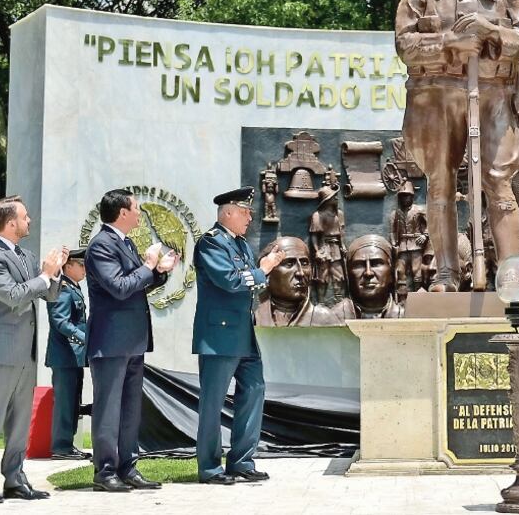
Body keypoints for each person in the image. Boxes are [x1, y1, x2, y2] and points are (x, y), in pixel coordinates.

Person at [395, 0, 519, 291]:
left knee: (498, 181)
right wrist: (448, 42)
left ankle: (510, 275)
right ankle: (446, 274)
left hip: (492, 93)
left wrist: (490, 29)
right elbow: (404, 44)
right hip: (434, 94)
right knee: (439, 181)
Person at [85, 189, 178, 492]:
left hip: (132, 340)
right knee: (109, 410)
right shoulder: (101, 245)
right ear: (122, 213)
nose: (140, 213)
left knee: (129, 410)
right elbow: (120, 287)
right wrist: (148, 266)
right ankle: (105, 472)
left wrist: (159, 273)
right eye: (136, 208)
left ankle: (128, 467)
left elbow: (137, 284)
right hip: (111, 341)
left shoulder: (124, 242)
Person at [0, 196, 65, 503]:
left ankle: (15, 479)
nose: (30, 221)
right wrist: (43, 275)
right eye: (26, 217)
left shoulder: (25, 255)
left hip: (25, 352)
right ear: (11, 222)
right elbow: (13, 296)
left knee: (20, 422)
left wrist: (55, 272)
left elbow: (47, 295)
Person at [193, 187, 285, 485]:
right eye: (245, 212)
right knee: (213, 402)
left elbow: (250, 286)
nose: (250, 217)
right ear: (228, 212)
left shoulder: (241, 244)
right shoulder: (210, 243)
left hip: (243, 333)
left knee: (254, 391)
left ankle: (242, 461)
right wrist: (264, 270)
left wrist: (257, 276)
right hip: (219, 334)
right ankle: (209, 468)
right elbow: (231, 280)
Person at [46, 247, 91, 460]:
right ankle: (61, 446)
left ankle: (67, 445)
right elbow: (60, 321)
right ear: (68, 265)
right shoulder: (63, 288)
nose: (85, 269)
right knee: (65, 402)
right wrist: (84, 338)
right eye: (81, 265)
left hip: (73, 356)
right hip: (64, 356)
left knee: (73, 401)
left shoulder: (73, 287)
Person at [254, 237, 347, 327]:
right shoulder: (252, 317)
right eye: (289, 263)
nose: (300, 273)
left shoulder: (325, 320)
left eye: (304, 263)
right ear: (267, 273)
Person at [342, 234, 404, 319]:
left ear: (392, 272)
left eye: (376, 264)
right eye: (359, 265)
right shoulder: (333, 317)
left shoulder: (408, 316)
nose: (368, 273)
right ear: (348, 273)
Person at [389, 181, 428, 303]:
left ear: (412, 197)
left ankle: (418, 299)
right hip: (402, 246)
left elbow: (430, 223)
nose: (405, 199)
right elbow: (393, 231)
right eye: (402, 196)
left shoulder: (419, 210)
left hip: (415, 245)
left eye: (407, 196)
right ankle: (401, 299)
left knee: (417, 271)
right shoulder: (396, 213)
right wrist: (394, 243)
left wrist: (425, 235)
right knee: (400, 271)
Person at [309, 185, 346, 305]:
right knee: (322, 277)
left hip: (336, 248)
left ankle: (338, 301)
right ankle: (321, 302)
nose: (337, 199)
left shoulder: (339, 214)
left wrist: (343, 245)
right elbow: (314, 235)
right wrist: (317, 251)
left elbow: (342, 232)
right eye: (334, 197)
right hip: (324, 246)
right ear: (328, 200)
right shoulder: (318, 215)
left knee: (338, 275)